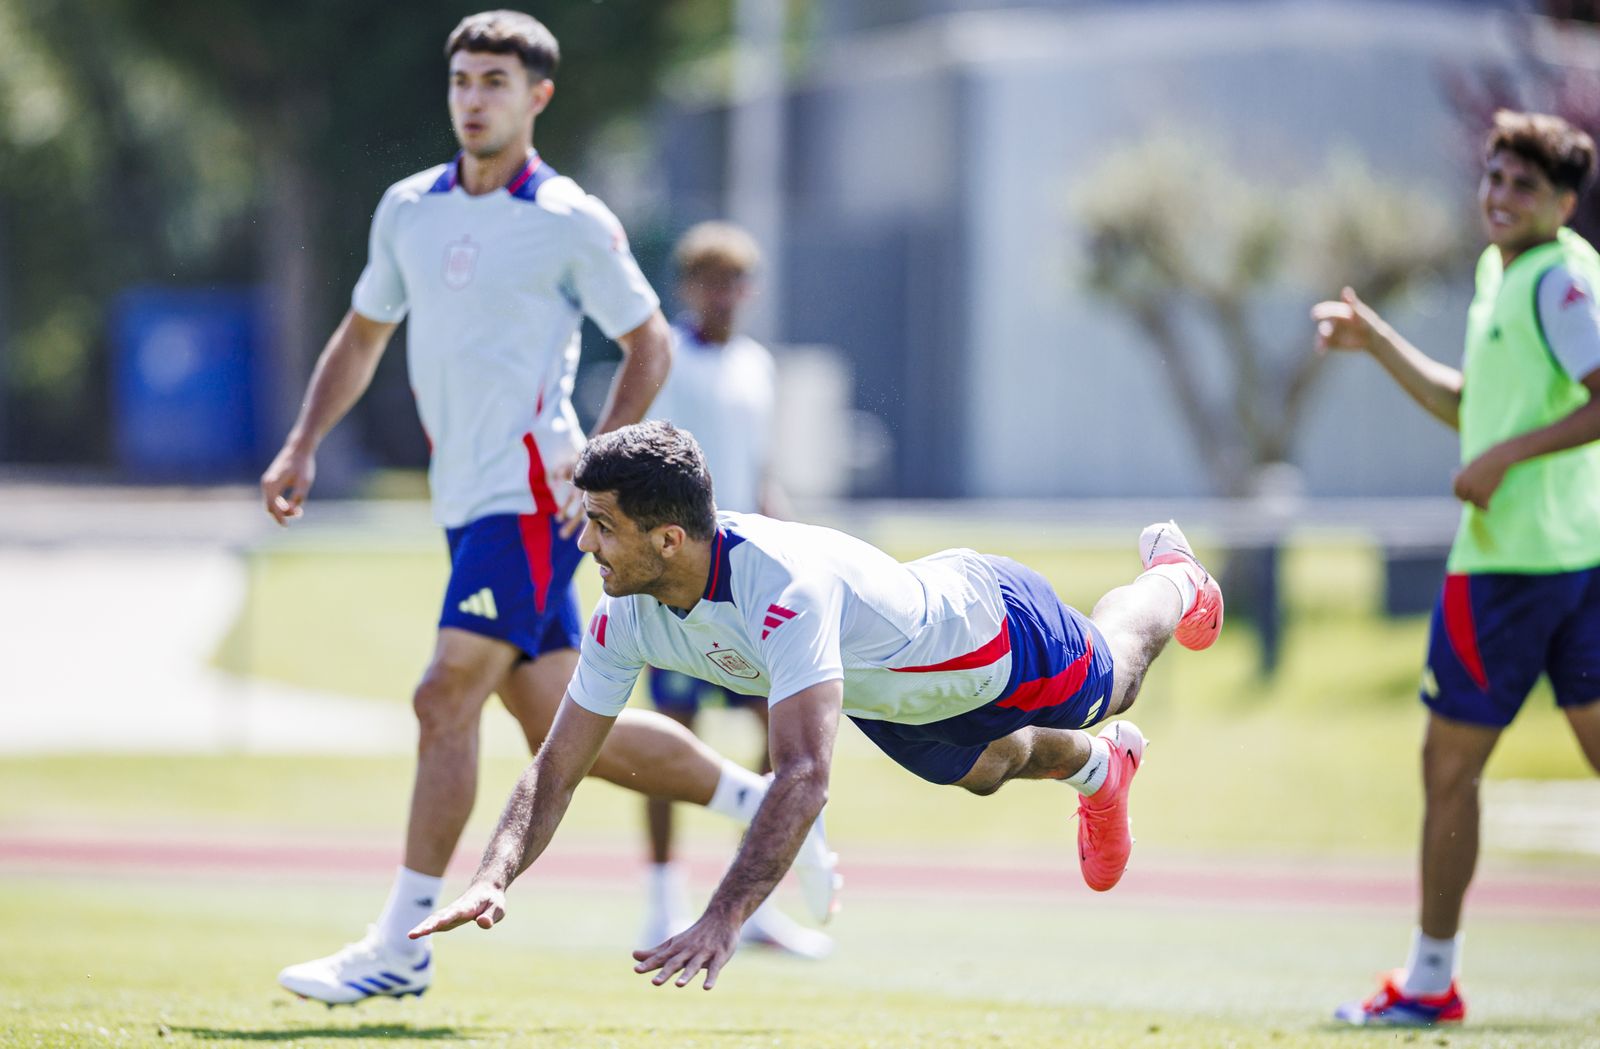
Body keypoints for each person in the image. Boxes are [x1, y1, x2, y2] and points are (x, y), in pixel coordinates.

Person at [260, 12, 836, 1005]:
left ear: (538, 97)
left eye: (495, 81)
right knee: (567, 728)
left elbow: (650, 343)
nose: (473, 98)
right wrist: (303, 440)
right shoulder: (408, 208)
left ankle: (400, 942)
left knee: (443, 694)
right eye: (462, 80)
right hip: (463, 500)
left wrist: (591, 482)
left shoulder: (570, 217)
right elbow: (361, 335)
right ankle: (760, 802)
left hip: (528, 499)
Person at [409, 420, 1225, 990]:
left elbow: (803, 775)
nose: (584, 542)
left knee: (1116, 675)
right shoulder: (624, 611)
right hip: (891, 695)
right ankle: (1100, 769)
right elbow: (558, 765)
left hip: (988, 630)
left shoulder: (784, 589)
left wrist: (724, 917)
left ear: (668, 539)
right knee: (987, 769)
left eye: (601, 525)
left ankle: (1175, 578)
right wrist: (493, 875)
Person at [1315, 111, 1600, 1027]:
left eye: (1525, 186)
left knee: (1447, 767)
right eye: (1494, 178)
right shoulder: (1503, 273)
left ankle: (1430, 982)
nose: (1501, 196)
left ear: (1564, 202)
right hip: (1570, 560)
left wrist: (1503, 458)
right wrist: (1378, 340)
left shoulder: (1557, 281)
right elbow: (1471, 406)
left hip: (1513, 571)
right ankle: (1430, 977)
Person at [636, 222, 827, 959]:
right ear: (689, 286)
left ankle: (753, 900)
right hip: (681, 581)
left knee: (784, 731)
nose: (726, 295)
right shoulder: (667, 357)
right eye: (713, 281)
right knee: (674, 736)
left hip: (747, 580)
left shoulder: (756, 365)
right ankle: (661, 903)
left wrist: (794, 544)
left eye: (737, 282)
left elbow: (759, 469)